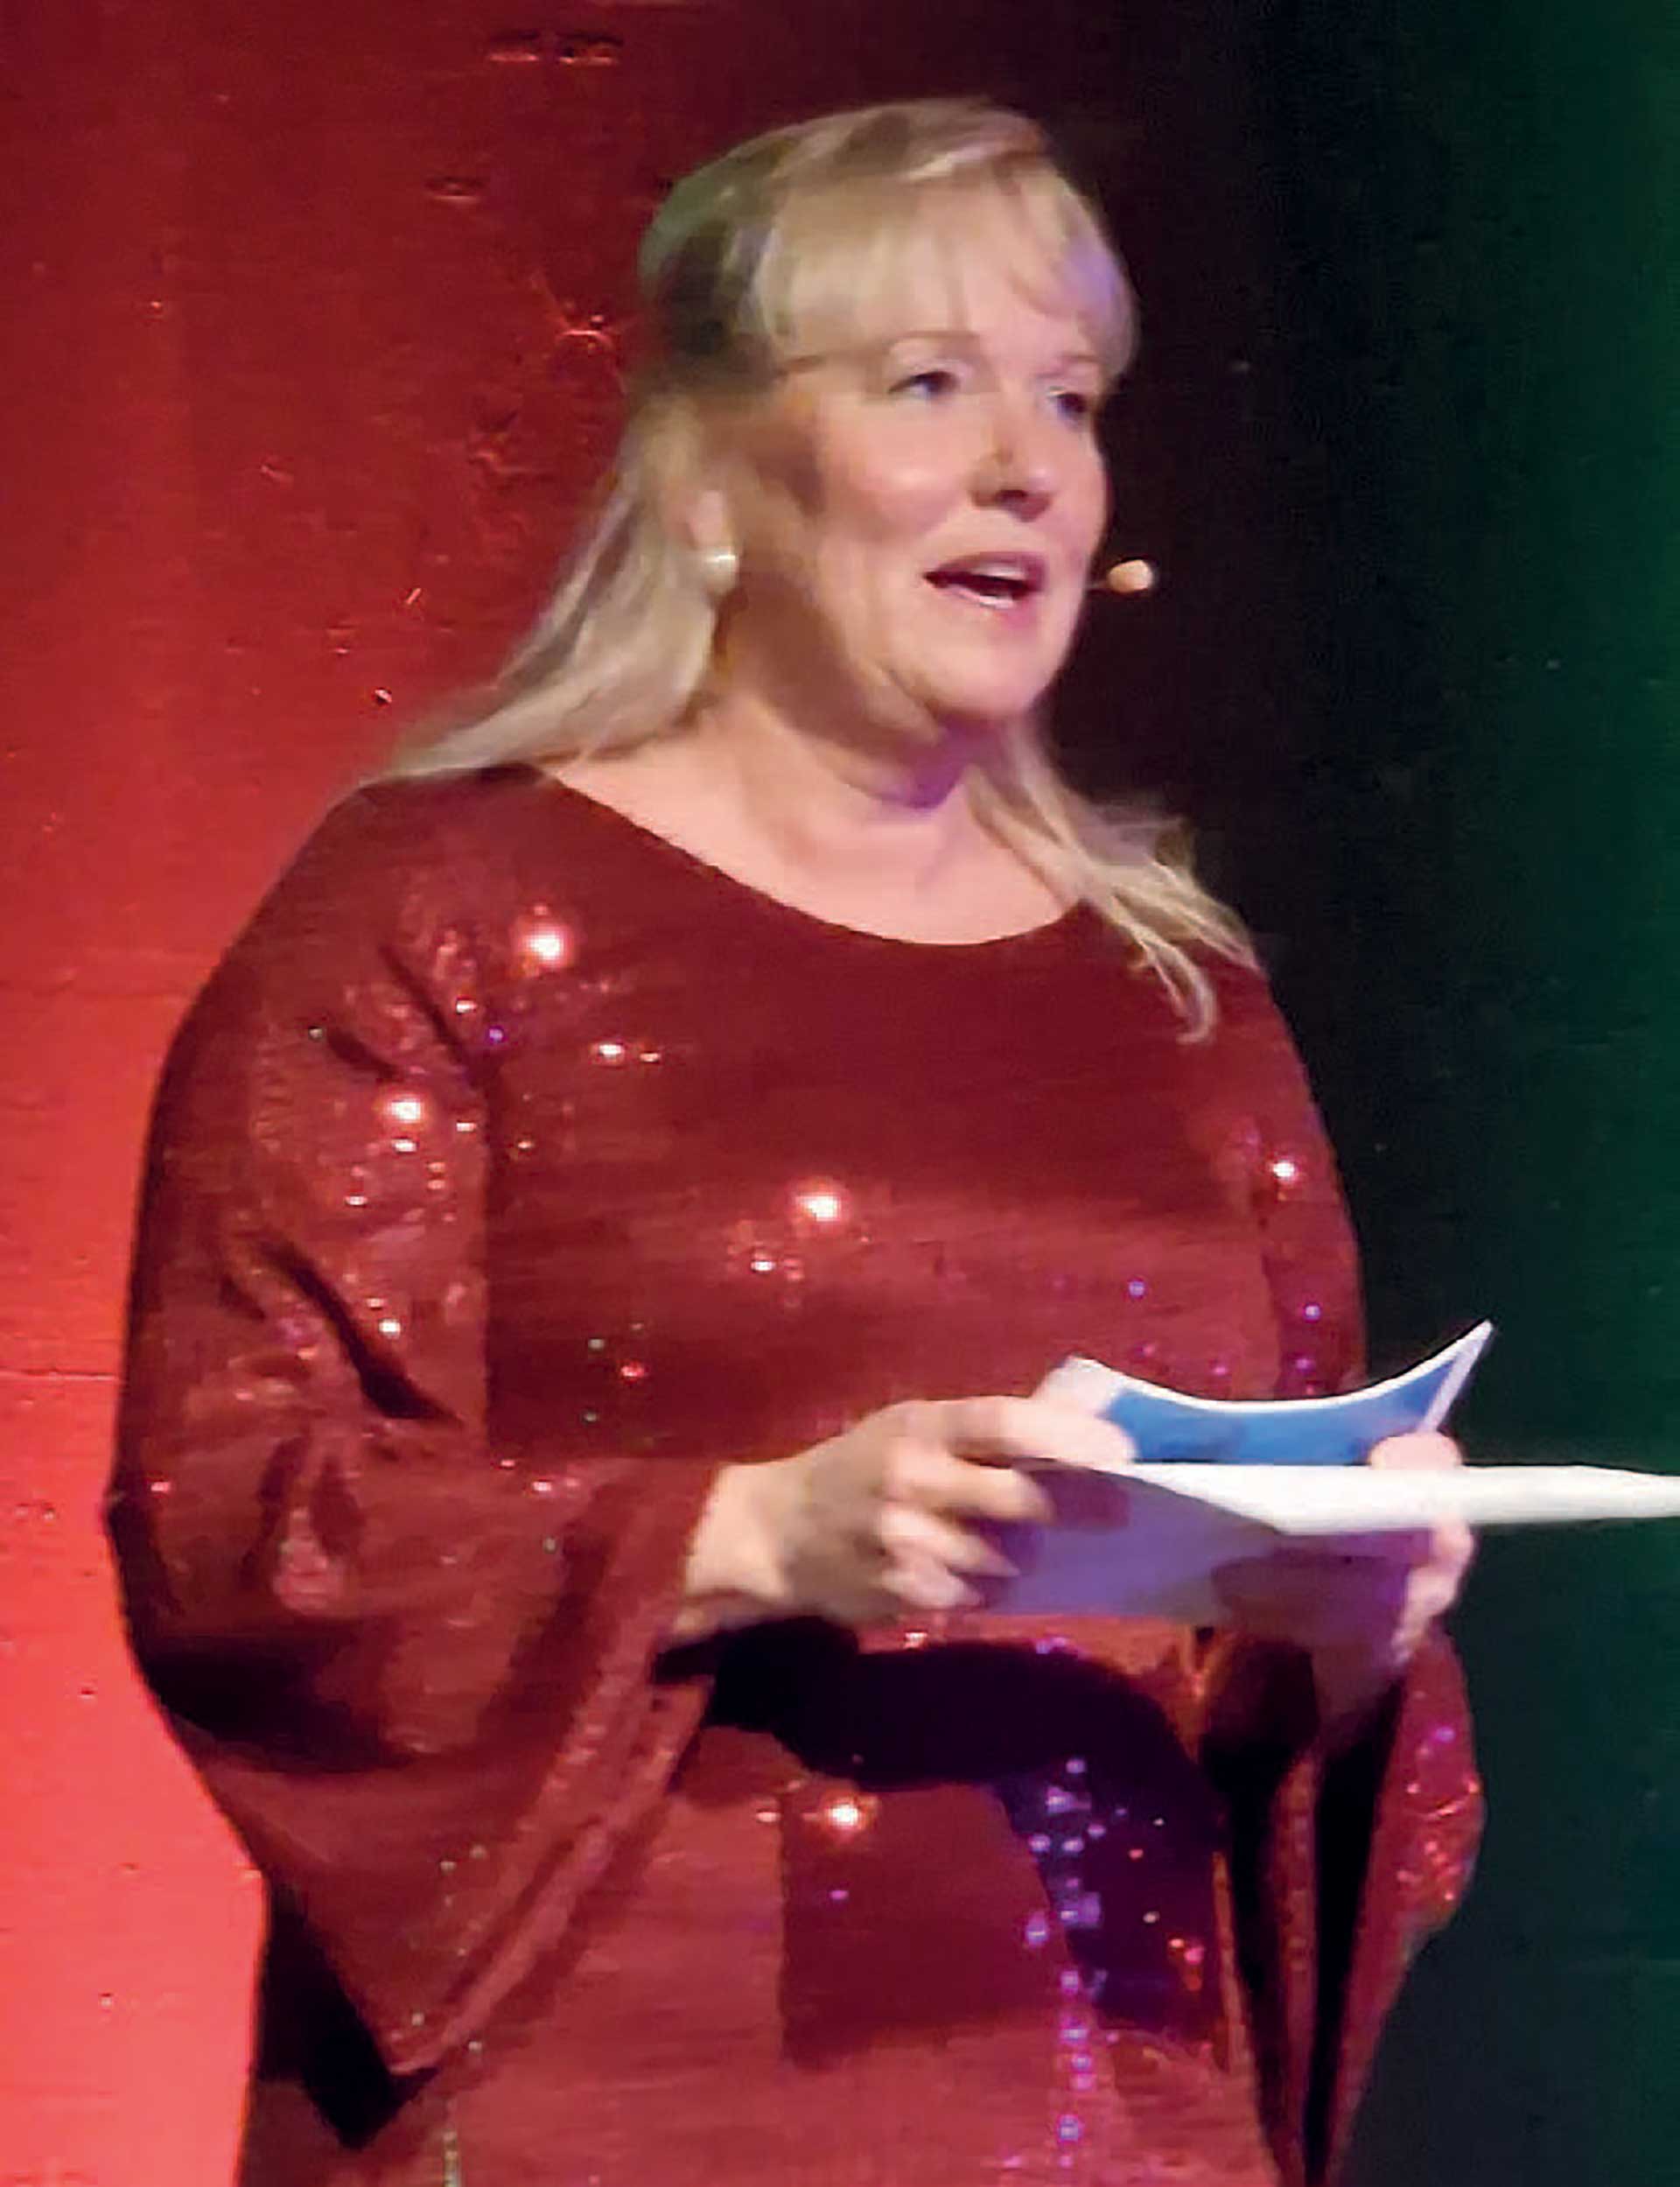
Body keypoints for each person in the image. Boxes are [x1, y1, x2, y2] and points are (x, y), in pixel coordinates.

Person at [108, 97, 1481, 2187]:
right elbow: (238, 1516)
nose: (1028, 463)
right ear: (706, 473)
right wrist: (750, 1531)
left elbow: (1282, 1711)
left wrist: (1356, 1624)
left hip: (1115, 2116)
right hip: (607, 2110)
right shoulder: (435, 908)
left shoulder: (1179, 995)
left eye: (1069, 395)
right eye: (929, 383)